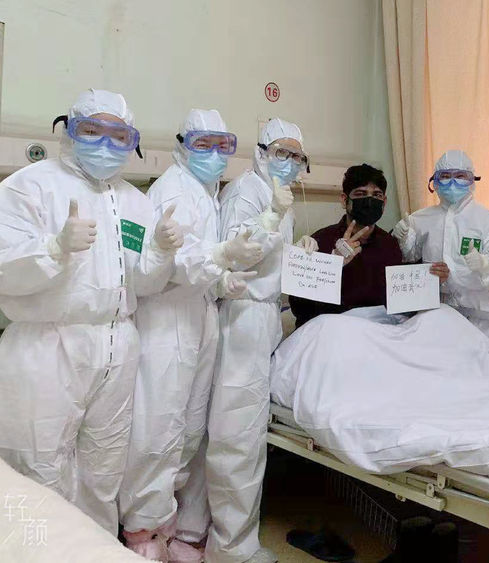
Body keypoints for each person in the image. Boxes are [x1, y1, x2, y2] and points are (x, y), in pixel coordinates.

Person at [0, 89, 179, 535]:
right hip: (47, 344)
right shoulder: (30, 186)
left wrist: (160, 252)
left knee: (104, 467)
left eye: (119, 136)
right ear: (68, 130)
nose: (105, 144)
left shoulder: (135, 201)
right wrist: (53, 248)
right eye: (92, 130)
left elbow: (144, 283)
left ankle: (93, 548)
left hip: (117, 344)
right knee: (39, 467)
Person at [119, 110, 262, 561]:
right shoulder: (174, 190)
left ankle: (166, 526)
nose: (215, 154)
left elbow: (199, 264)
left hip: (197, 315)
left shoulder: (207, 191)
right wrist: (221, 256)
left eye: (223, 145)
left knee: (187, 427)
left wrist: (221, 281)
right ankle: (141, 533)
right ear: (182, 145)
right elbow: (170, 260)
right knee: (157, 427)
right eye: (203, 144)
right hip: (167, 319)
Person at [206, 118, 314, 563]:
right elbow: (237, 252)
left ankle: (217, 537)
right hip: (244, 313)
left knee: (244, 432)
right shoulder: (248, 192)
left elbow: (269, 256)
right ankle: (232, 547)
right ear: (261, 151)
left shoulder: (276, 194)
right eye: (280, 152)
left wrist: (297, 254)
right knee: (239, 435)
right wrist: (272, 216)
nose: (288, 162)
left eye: (296, 155)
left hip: (263, 314)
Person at [393, 150, 489, 351]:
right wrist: (404, 240)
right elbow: (410, 259)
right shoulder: (420, 219)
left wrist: (486, 266)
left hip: (486, 310)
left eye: (460, 175)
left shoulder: (488, 221)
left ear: (472, 180)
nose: (452, 182)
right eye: (445, 176)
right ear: (434, 182)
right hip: (443, 309)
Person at [289, 163, 402, 327]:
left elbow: (398, 302)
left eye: (376, 195)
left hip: (378, 330)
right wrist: (332, 264)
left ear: (384, 203)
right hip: (333, 329)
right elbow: (300, 308)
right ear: (344, 200)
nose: (369, 200)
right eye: (361, 194)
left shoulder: (390, 245)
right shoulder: (320, 241)